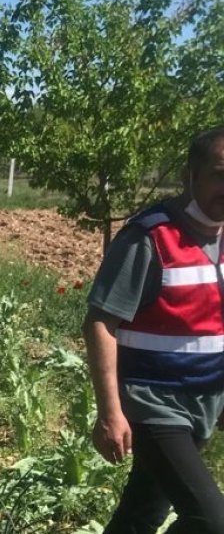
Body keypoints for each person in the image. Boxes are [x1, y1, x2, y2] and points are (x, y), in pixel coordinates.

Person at [84, 126, 224, 533]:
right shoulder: (150, 237)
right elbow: (100, 321)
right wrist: (109, 412)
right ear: (189, 176)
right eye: (219, 174)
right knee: (212, 522)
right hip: (153, 402)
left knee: (142, 512)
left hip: (205, 400)